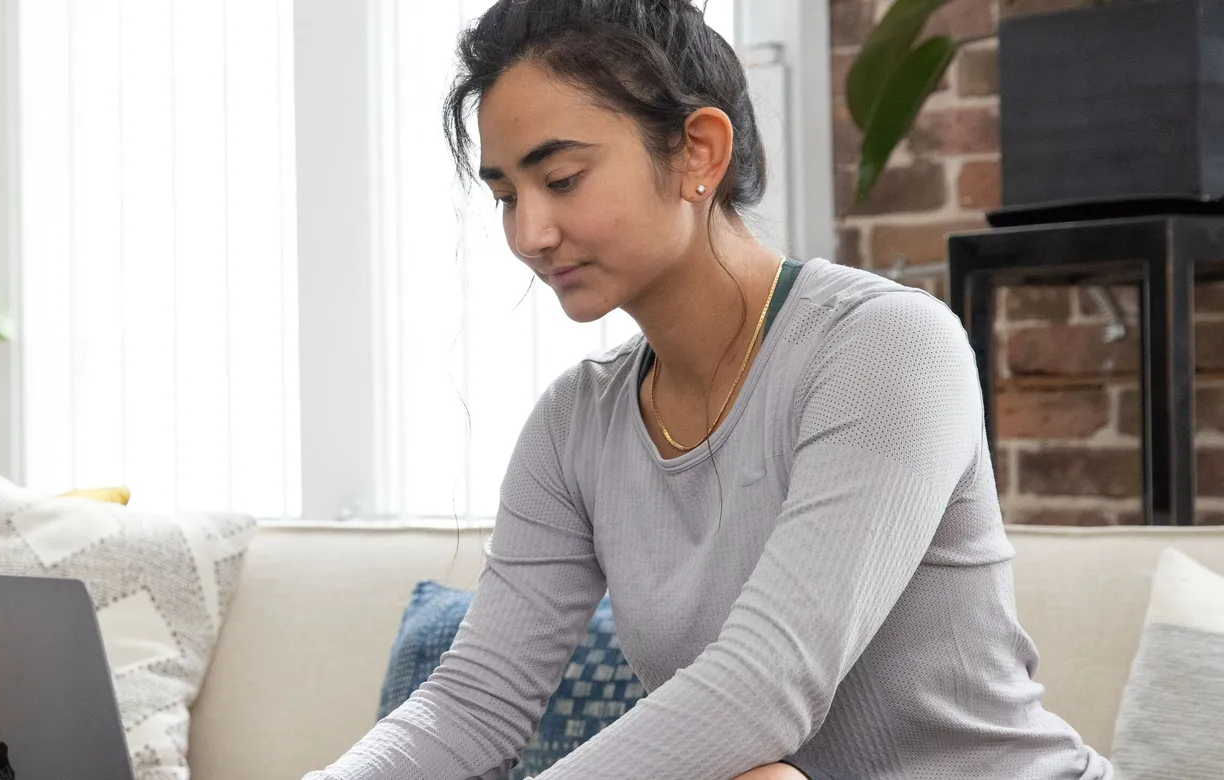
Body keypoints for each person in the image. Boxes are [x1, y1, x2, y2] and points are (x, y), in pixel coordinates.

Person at [303, 1, 1112, 779]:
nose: (529, 234)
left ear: (698, 151)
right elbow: (476, 701)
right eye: (507, 196)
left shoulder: (886, 346)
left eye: (563, 179)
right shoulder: (572, 425)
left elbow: (766, 683)